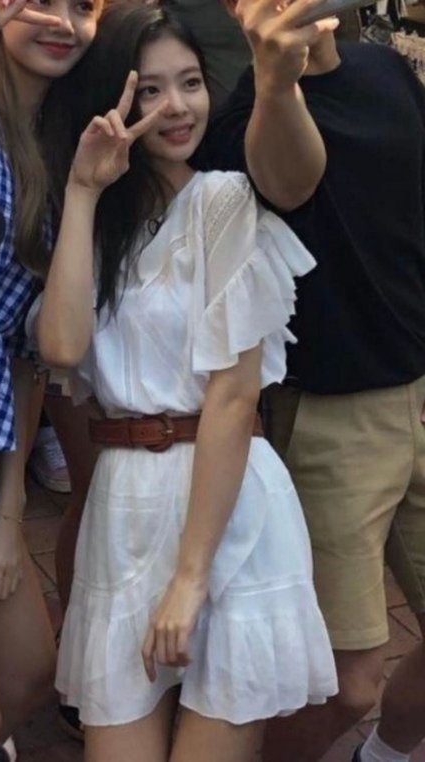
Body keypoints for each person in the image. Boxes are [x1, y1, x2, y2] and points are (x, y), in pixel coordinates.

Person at [34, 4, 338, 761]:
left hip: (223, 507)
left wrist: (190, 578)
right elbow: (62, 346)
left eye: (192, 83)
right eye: (151, 89)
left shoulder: (224, 201)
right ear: (113, 99)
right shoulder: (95, 217)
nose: (177, 107)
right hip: (124, 507)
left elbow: (234, 397)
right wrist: (82, 192)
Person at [201, 11, 425, 762]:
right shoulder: (237, 119)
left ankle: (384, 755)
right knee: (343, 682)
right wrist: (276, 81)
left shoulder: (384, 71)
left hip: (418, 386)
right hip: (331, 415)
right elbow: (289, 184)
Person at [0, 0, 101, 744]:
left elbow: (24, 352)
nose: (62, 21)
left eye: (83, 6)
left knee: (28, 676)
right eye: (39, 0)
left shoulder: (63, 152)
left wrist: (11, 510)